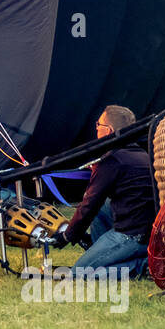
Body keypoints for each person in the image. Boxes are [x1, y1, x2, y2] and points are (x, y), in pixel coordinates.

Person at [63, 106, 155, 278]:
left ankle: (142, 267)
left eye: (99, 125)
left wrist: (68, 236)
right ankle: (104, 253)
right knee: (104, 207)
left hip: (130, 236)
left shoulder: (112, 160)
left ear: (109, 131)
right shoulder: (142, 155)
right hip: (149, 234)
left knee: (79, 273)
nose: (96, 128)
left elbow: (89, 204)